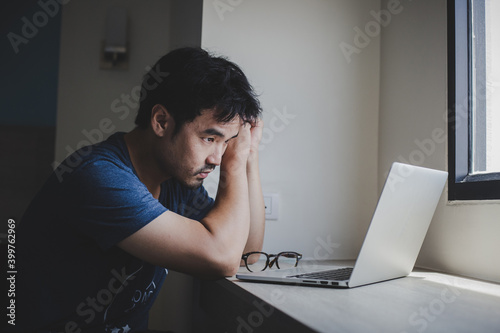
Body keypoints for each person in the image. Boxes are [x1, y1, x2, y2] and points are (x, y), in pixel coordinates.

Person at [13, 47, 265, 333]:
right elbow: (222, 258)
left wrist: (249, 156)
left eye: (228, 142)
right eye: (209, 138)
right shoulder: (98, 176)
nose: (217, 158)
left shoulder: (177, 180)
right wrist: (233, 165)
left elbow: (248, 254)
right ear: (160, 121)